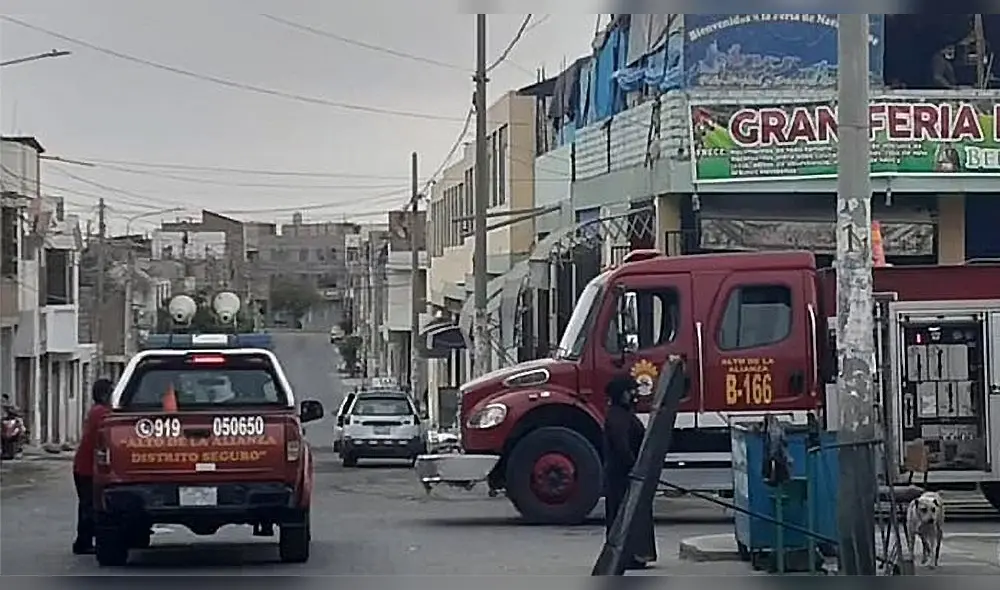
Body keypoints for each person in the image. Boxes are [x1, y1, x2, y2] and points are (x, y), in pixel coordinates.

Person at [602, 375, 657, 570]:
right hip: (622, 477)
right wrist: (635, 468)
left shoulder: (621, 414)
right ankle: (630, 555)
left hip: (623, 475)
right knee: (625, 516)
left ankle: (632, 555)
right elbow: (621, 446)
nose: (634, 395)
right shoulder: (618, 417)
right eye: (630, 391)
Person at [72, 378, 113, 555]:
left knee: (87, 505)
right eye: (111, 392)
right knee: (89, 506)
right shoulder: (102, 413)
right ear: (105, 395)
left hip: (85, 466)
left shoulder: (97, 411)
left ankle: (85, 540)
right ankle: (83, 542)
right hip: (87, 468)